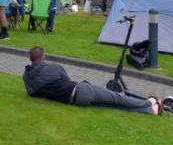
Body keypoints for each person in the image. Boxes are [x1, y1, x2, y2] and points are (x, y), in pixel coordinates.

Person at [23, 46, 162, 115]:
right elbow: (67, 80)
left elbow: (33, 94)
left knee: (112, 106)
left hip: (74, 102)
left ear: (30, 59)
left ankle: (151, 110)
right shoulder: (53, 66)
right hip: (81, 91)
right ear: (43, 57)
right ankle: (147, 102)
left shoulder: (27, 76)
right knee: (116, 98)